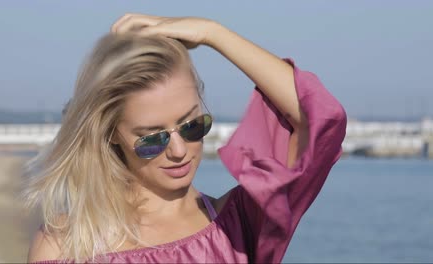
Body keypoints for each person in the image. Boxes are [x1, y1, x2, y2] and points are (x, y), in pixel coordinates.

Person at [25, 13, 347, 263]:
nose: (179, 151)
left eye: (192, 126)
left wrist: (212, 33)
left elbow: (320, 119)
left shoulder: (238, 226)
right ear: (110, 134)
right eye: (152, 138)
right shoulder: (67, 244)